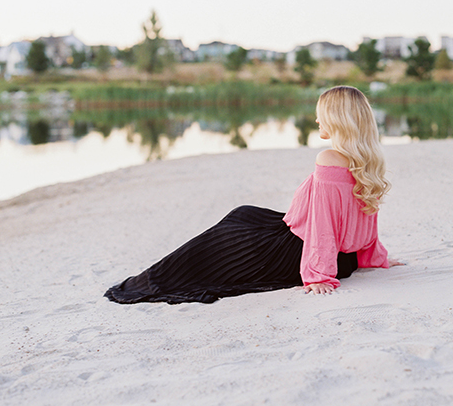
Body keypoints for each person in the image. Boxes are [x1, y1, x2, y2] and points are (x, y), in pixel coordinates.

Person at [104, 85, 401, 305]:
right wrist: (373, 258)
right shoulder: (368, 161)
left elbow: (323, 225)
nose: (317, 122)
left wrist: (319, 276)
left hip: (304, 252)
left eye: (320, 116)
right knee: (245, 214)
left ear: (337, 120)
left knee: (227, 237)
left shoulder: (329, 159)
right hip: (341, 256)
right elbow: (365, 216)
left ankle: (152, 280)